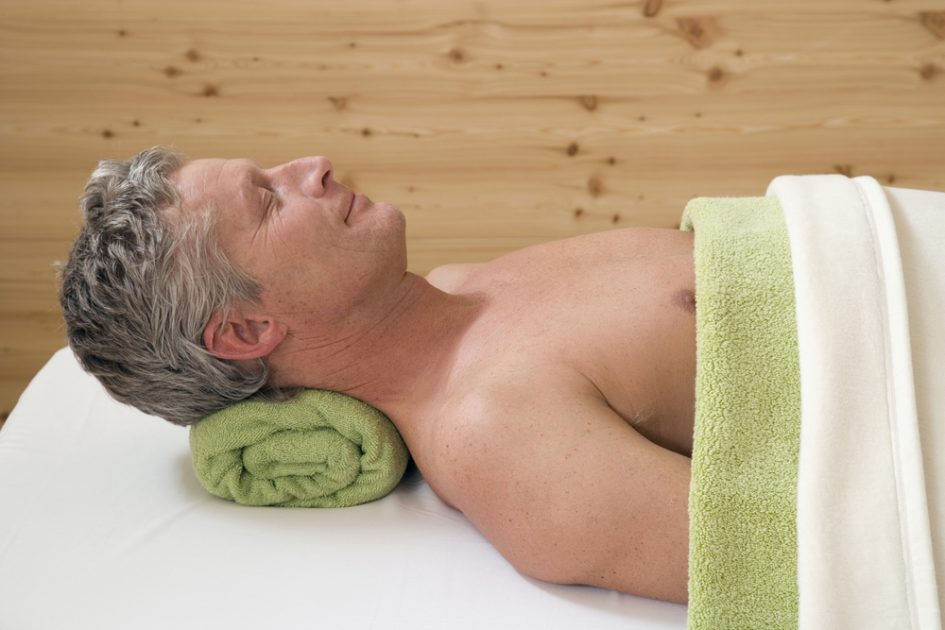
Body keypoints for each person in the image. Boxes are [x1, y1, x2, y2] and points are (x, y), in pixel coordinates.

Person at [60, 147, 696, 604]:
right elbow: (776, 549)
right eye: (268, 198)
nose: (314, 164)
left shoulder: (458, 285)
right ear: (247, 331)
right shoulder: (496, 436)